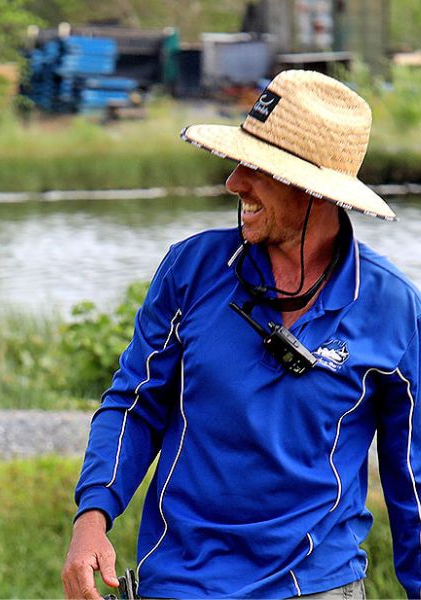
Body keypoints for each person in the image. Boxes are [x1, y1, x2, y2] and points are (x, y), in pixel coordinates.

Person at [62, 70, 420, 598]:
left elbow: (414, 481)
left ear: (315, 192)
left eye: (258, 168)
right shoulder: (192, 270)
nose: (234, 183)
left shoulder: (392, 307)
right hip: (182, 582)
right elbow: (134, 405)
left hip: (317, 585)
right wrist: (92, 515)